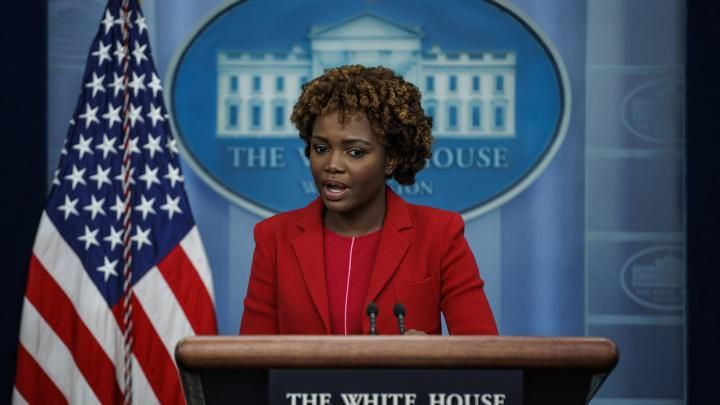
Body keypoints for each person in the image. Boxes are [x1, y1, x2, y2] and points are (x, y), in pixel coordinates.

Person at [239, 65, 497, 335]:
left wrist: (432, 353)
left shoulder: (440, 235)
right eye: (321, 148)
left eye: (355, 152)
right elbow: (252, 355)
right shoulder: (273, 238)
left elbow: (484, 349)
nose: (332, 164)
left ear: (391, 159)